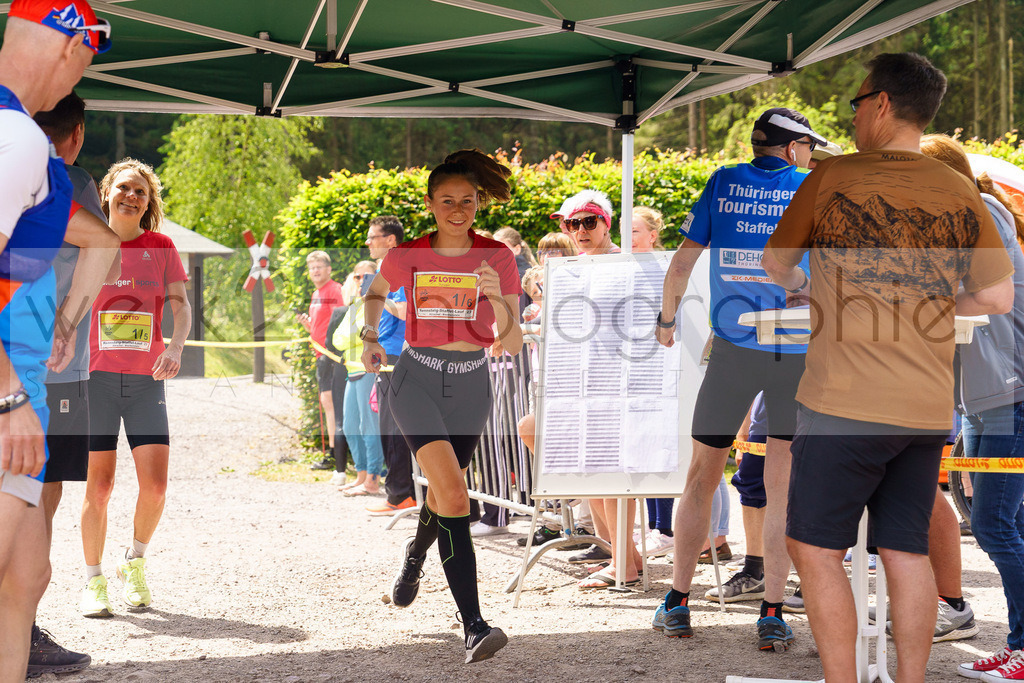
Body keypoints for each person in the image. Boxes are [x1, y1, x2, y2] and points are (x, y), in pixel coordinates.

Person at [762, 53, 1013, 683]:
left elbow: (776, 263)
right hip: (928, 406)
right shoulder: (960, 187)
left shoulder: (834, 176)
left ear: (878, 104)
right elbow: (998, 297)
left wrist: (803, 283)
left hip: (843, 400)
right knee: (905, 551)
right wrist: (925, 301)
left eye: (854, 103)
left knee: (815, 549)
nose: (850, 117)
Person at [652, 107, 824, 649]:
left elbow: (681, 263)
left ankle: (676, 601)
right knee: (780, 487)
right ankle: (772, 610)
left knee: (702, 475)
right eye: (808, 147)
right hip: (794, 350)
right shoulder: (812, 185)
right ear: (793, 146)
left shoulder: (723, 182)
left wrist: (667, 318)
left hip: (731, 348)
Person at [360, 149, 522, 663]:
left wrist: (498, 300)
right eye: (447, 200)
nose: (458, 210)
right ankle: (474, 625)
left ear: (478, 204)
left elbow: (514, 344)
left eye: (467, 201)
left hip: (472, 385)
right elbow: (375, 291)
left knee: (446, 494)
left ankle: (414, 557)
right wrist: (369, 333)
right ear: (430, 203)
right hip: (417, 380)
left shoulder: (497, 256)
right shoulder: (407, 254)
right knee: (455, 494)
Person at [0, 2, 108, 679]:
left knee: (25, 577)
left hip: (19, 387)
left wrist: (66, 319)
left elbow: (103, 241)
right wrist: (11, 393)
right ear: (73, 52)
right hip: (7, 395)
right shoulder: (15, 136)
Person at [915, 135, 1024, 680]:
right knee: (1007, 524)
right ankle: (1019, 643)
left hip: (1009, 392)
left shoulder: (981, 216)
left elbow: (973, 293)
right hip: (988, 396)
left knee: (995, 526)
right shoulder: (975, 216)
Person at [30, 90, 120, 677]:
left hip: (37, 361)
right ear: (78, 132)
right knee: (40, 494)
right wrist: (66, 323)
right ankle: (22, 627)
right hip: (56, 365)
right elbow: (106, 254)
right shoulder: (69, 180)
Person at [80, 159, 191, 617]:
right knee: (99, 488)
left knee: (157, 487)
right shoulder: (87, 242)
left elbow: (182, 306)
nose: (132, 197)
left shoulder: (160, 246)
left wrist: (177, 347)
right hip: (96, 381)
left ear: (149, 202)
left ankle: (135, 562)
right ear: (107, 191)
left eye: (141, 192)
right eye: (125, 188)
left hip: (147, 382)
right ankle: (93, 581)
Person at [362, 216, 416, 515]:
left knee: (394, 427)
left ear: (391, 240)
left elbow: (408, 311)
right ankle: (399, 492)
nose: (368, 242)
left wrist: (377, 298)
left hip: (397, 357)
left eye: (373, 237)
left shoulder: (399, 267)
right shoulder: (387, 268)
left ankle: (401, 495)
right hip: (387, 354)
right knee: (388, 426)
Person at [336, 260, 385, 497]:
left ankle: (373, 479)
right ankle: (361, 475)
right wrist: (354, 337)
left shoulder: (374, 304)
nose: (359, 282)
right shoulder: (355, 305)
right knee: (350, 426)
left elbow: (356, 334)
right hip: (352, 372)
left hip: (368, 371)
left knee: (369, 426)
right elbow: (339, 339)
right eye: (356, 277)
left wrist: (353, 336)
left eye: (364, 277)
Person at [297, 251, 346, 470]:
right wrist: (309, 328)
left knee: (333, 403)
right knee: (328, 403)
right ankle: (334, 453)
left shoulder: (335, 290)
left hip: (332, 355)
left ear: (329, 269)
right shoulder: (317, 294)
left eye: (319, 267)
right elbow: (323, 325)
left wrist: (332, 351)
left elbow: (342, 320)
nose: (315, 271)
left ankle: (337, 454)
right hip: (321, 356)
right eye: (312, 268)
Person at [563, 190, 620, 256]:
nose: (581, 230)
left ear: (606, 226)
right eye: (574, 224)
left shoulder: (620, 261)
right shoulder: (579, 261)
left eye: (589, 222)